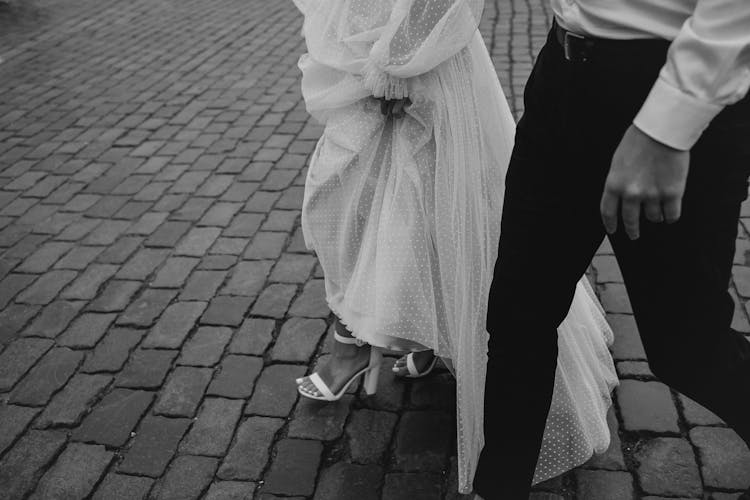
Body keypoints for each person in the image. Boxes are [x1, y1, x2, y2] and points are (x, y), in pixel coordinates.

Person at [291, 0, 618, 493]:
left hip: (414, 56)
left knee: (420, 204)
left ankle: (359, 344)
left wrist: (396, 65)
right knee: (371, 204)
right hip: (365, 47)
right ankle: (401, 336)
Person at [474, 0, 750, 498]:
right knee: (517, 319)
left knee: (690, 348)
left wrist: (667, 126)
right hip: (562, 74)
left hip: (669, 89)